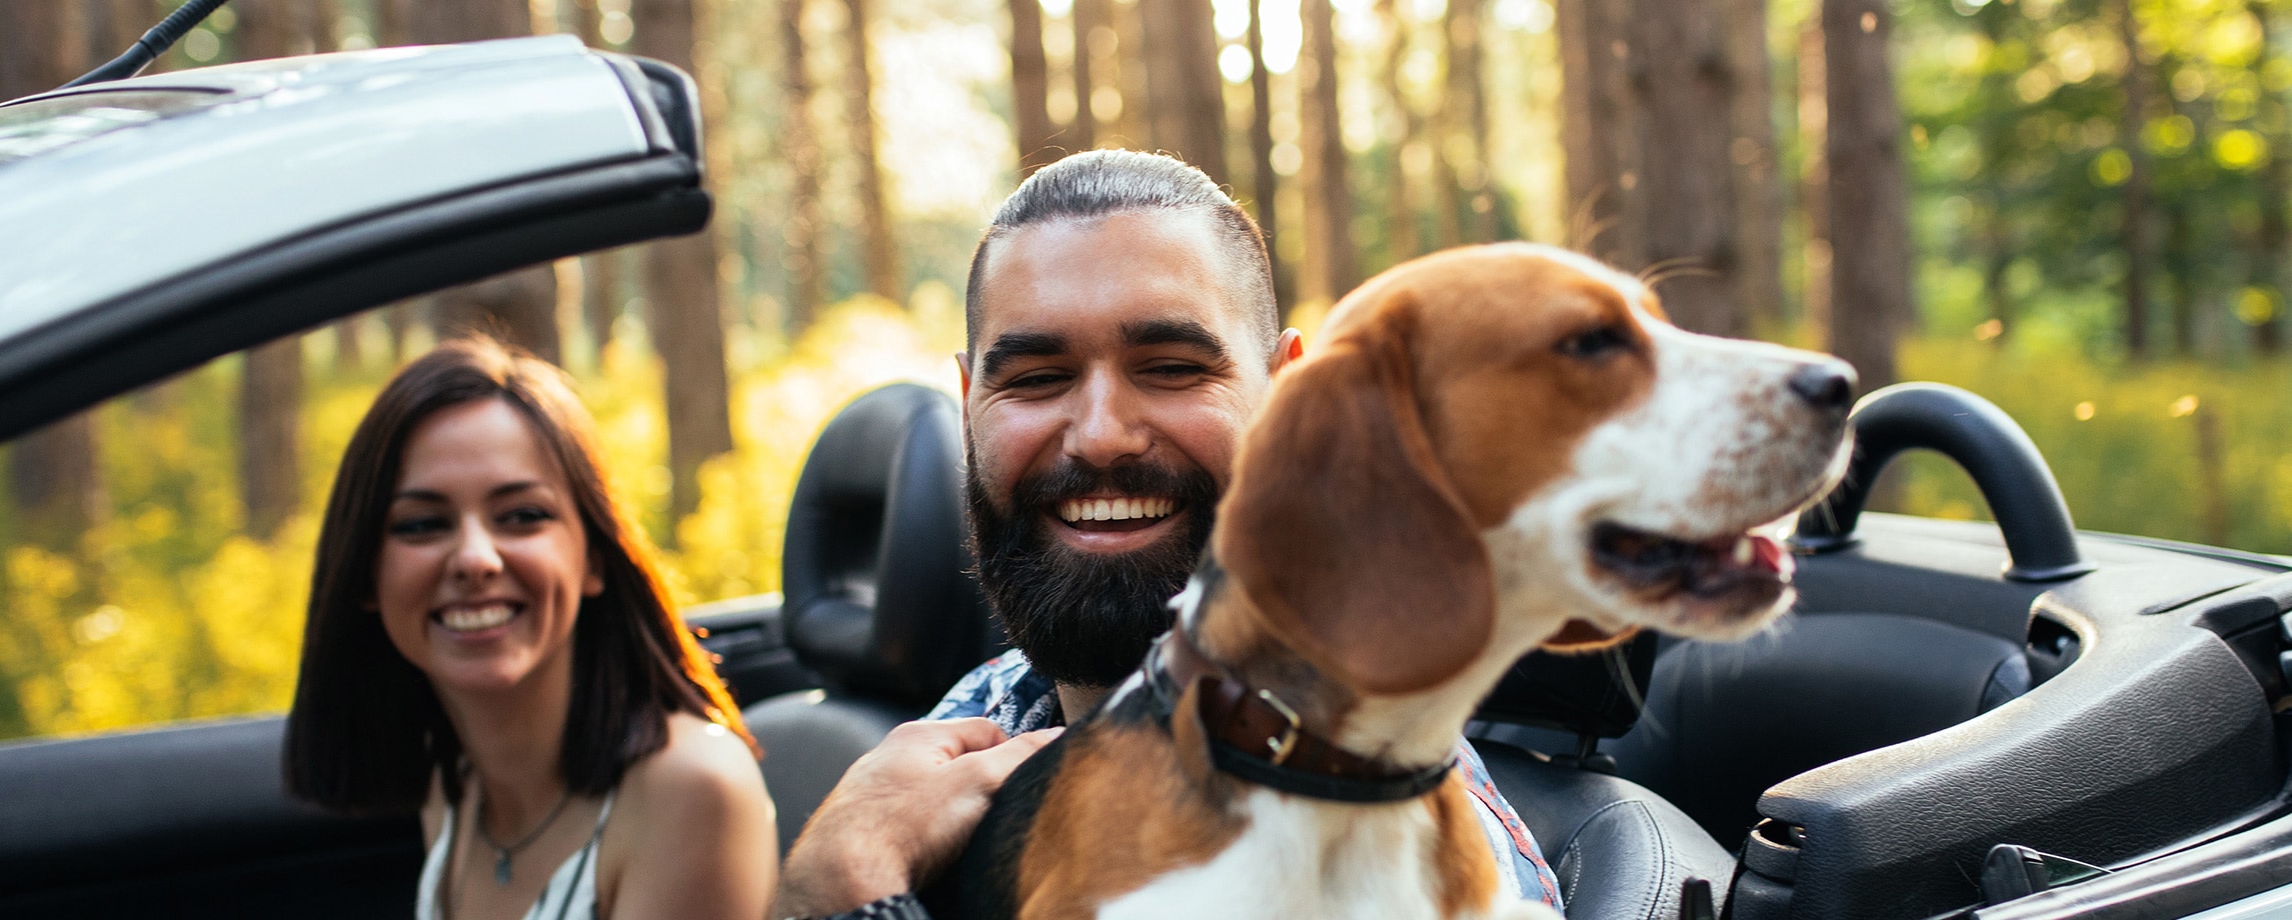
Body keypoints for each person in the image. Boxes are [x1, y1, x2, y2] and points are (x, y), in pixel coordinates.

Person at [772, 150, 1563, 918]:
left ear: (1285, 392)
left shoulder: (1392, 833)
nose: (1100, 435)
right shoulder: (983, 714)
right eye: (1038, 379)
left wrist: (844, 892)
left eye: (1173, 367)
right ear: (971, 401)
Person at [284, 337, 779, 920]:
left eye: (522, 516)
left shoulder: (692, 792)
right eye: (422, 524)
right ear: (365, 576)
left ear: (593, 557)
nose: (476, 559)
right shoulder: (454, 784)